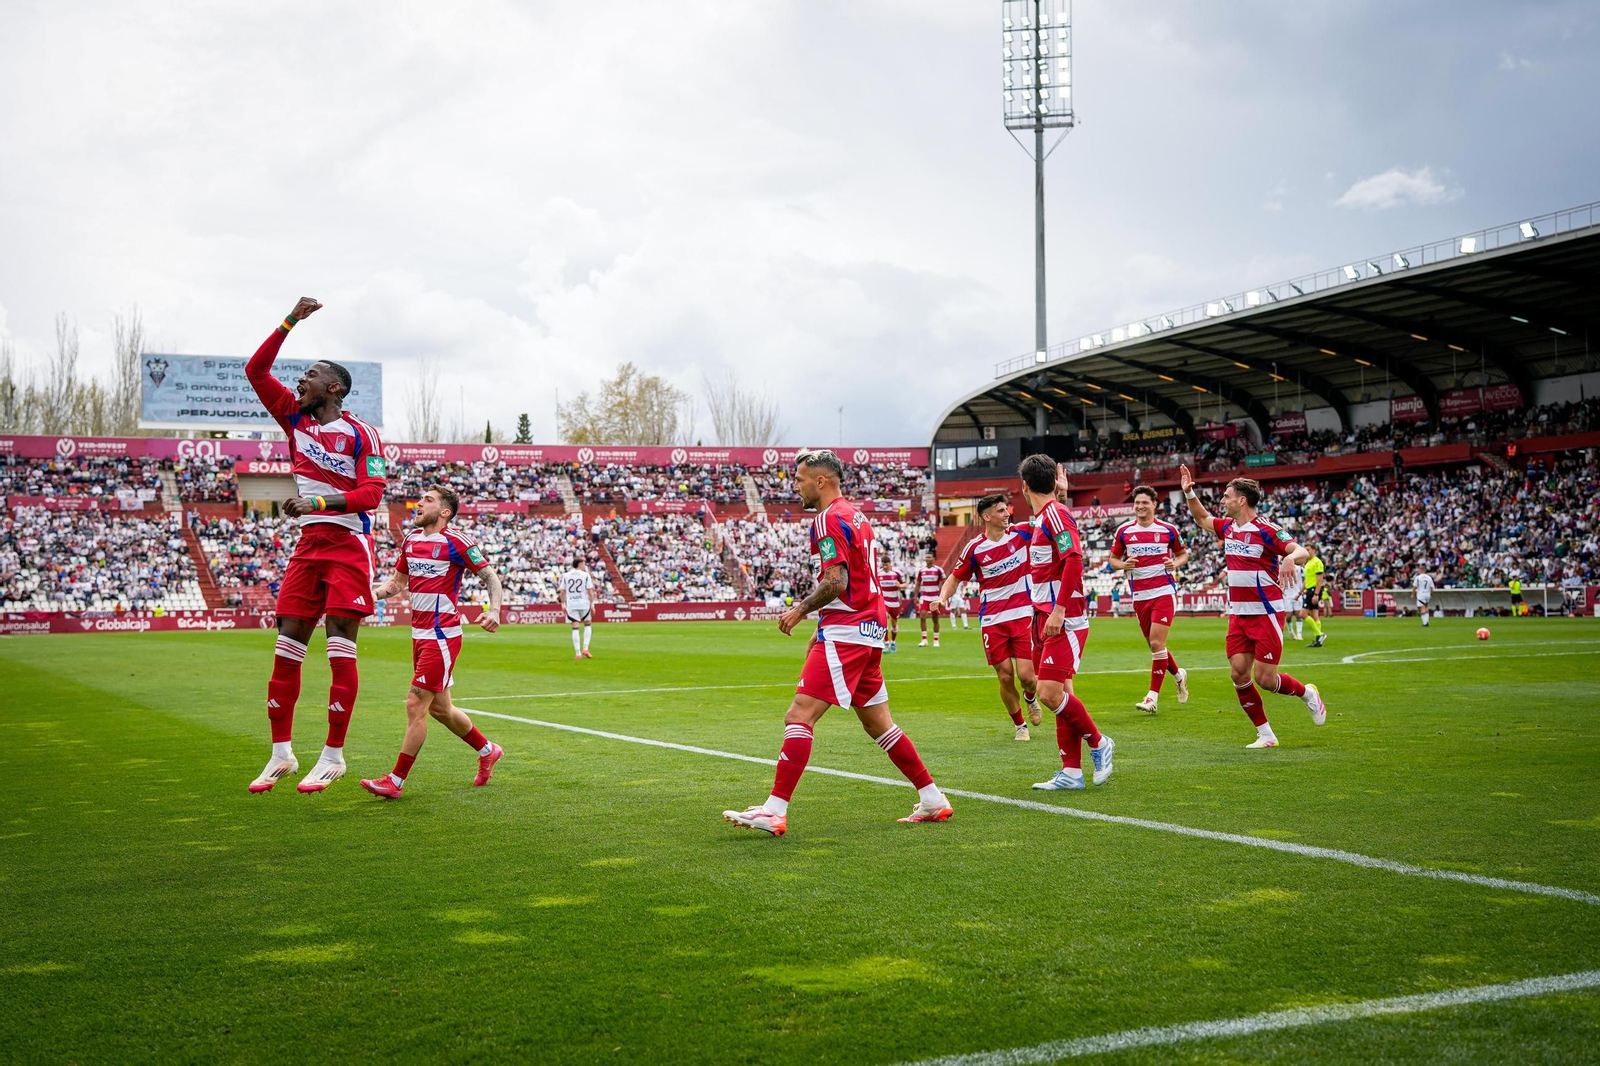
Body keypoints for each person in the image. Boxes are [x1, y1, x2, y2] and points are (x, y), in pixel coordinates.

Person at [722, 449, 953, 836]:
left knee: (799, 715)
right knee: (879, 725)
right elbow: (857, 579)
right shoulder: (856, 515)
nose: (795, 486)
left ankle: (774, 810)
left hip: (849, 630)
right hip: (869, 628)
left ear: (820, 481)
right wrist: (825, 621)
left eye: (799, 479)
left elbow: (836, 581)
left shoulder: (828, 519)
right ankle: (932, 797)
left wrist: (800, 611)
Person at [245, 298, 388, 795]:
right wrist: (290, 321)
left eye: (307, 376)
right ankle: (281, 753)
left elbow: (372, 494)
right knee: (287, 648)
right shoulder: (293, 418)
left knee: (339, 650)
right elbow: (255, 369)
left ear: (334, 388)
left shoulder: (362, 433)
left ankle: (333, 756)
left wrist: (320, 502)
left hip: (349, 544)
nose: (297, 382)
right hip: (309, 546)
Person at [358, 486, 505, 799]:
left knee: (415, 704)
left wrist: (494, 610)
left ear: (445, 512)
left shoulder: (457, 541)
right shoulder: (411, 540)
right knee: (441, 709)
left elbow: (491, 577)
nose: (419, 503)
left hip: (441, 635)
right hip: (419, 634)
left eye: (428, 500)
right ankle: (488, 750)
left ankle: (395, 782)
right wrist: (368, 597)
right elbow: (398, 583)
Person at [1178, 466, 1327, 749]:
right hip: (1238, 614)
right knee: (1238, 673)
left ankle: (1307, 693)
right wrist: (1188, 491)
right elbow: (1201, 518)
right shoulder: (1229, 527)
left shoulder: (1266, 528)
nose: (1223, 500)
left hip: (1266, 614)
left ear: (1242, 500)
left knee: (1266, 679)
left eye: (1227, 496)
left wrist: (1288, 559)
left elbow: (1301, 551)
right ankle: (1266, 734)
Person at [1019, 456, 1113, 791]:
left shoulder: (1055, 514)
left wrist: (1058, 610)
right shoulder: (1051, 513)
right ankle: (1071, 772)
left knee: (1048, 692)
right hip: (1043, 614)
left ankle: (1100, 742)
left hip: (1064, 617)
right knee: (1062, 692)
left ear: (1025, 486)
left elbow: (1074, 557)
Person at [934, 493, 1042, 740]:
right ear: (987, 516)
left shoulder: (1023, 532)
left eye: (1007, 510)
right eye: (1002, 511)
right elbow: (955, 577)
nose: (1007, 514)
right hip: (992, 620)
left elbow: (1048, 522)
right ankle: (1020, 726)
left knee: (1027, 677)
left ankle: (1030, 697)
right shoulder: (975, 548)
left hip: (1023, 614)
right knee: (1005, 675)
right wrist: (942, 598)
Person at [1107, 485, 1190, 714]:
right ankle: (1178, 675)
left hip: (1163, 591)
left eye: (1144, 503)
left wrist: (1176, 563)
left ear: (1154, 505)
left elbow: (1183, 554)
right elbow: (1113, 560)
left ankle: (1152, 698)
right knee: (1156, 646)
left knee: (1156, 644)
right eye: (1137, 503)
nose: (1140, 506)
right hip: (1139, 595)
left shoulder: (1168, 529)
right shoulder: (1124, 531)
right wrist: (1123, 565)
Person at [559, 558, 596, 659]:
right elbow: (590, 592)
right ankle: (585, 648)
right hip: (584, 603)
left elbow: (562, 592)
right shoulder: (585, 575)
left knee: (575, 627)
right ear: (580, 564)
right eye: (584, 563)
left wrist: (563, 605)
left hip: (572, 604)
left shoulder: (566, 576)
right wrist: (592, 605)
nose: (584, 565)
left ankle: (578, 653)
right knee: (587, 624)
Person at [914, 557, 945, 646]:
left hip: (935, 597)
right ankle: (924, 640)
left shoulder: (939, 570)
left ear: (933, 559)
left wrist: (942, 595)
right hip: (924, 597)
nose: (927, 559)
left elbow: (944, 581)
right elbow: (918, 584)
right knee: (922, 616)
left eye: (929, 557)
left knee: (935, 619)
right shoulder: (921, 570)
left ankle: (936, 640)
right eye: (926, 557)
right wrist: (916, 596)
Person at [1302, 551, 1328, 647]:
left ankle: (1320, 634)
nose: (1307, 551)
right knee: (1314, 615)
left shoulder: (1317, 562)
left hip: (1314, 590)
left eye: (1308, 549)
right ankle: (1318, 641)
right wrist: (1300, 592)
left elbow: (1320, 579)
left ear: (1314, 550)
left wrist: (1316, 594)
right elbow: (1306, 579)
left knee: (1303, 614)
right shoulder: (1308, 562)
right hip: (1309, 589)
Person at [879, 561, 904, 652]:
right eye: (883, 564)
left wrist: (900, 585)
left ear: (890, 564)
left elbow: (905, 584)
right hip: (884, 602)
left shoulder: (897, 573)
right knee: (883, 620)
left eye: (886, 564)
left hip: (894, 602)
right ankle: (886, 642)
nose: (885, 566)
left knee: (894, 623)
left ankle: (893, 642)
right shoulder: (878, 574)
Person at [1284, 561, 1306, 641]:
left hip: (1297, 593)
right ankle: (1291, 631)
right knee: (1288, 615)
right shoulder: (1283, 566)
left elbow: (1306, 577)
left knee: (1298, 614)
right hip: (1287, 594)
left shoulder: (1299, 568)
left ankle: (1299, 634)